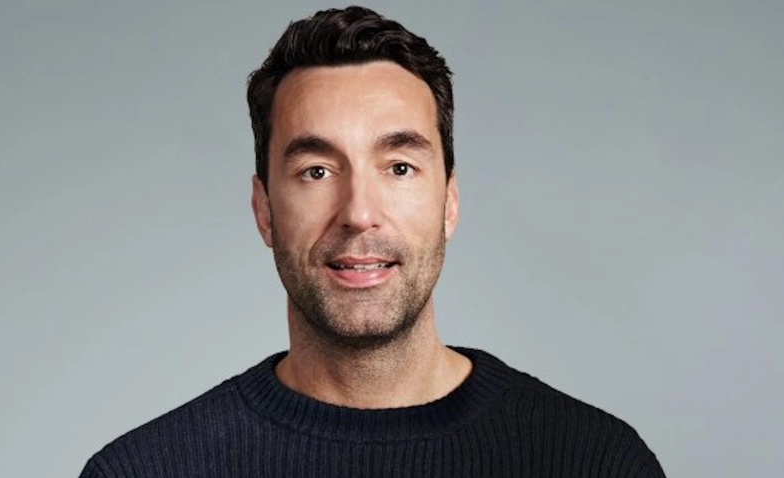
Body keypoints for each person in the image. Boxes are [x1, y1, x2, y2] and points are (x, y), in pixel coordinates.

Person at [79, 6, 665, 477]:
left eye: (399, 167)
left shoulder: (595, 462)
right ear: (264, 210)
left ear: (449, 202)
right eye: (316, 171)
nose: (359, 214)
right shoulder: (144, 470)